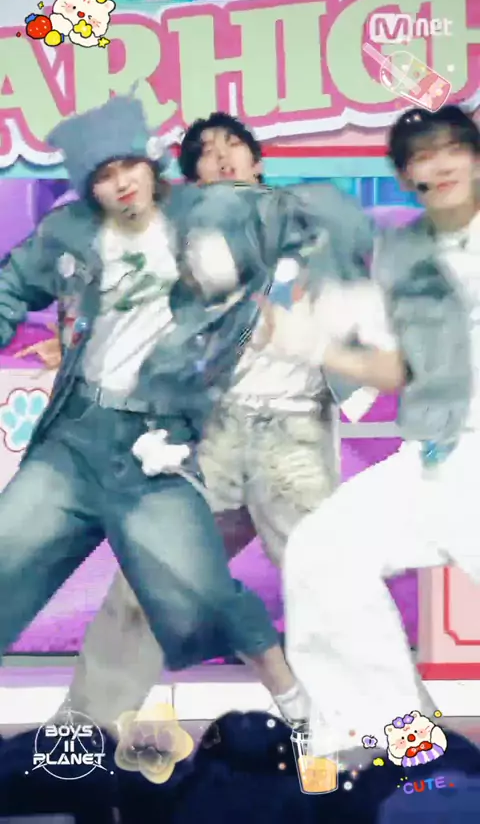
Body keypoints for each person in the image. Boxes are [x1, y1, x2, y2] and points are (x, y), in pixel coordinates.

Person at [58, 111, 376, 730]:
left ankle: (382, 731)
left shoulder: (307, 225)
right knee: (149, 580)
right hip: (211, 437)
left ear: (257, 161)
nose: (224, 155)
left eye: (234, 145)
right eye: (207, 151)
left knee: (332, 594)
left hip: (291, 436)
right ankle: (86, 732)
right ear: (195, 176)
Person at [0, 94, 296, 708]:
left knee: (212, 590)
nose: (120, 183)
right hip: (84, 433)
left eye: (129, 165)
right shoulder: (69, 232)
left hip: (187, 438)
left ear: (152, 163)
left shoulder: (212, 220)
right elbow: (12, 284)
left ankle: (305, 706)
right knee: (12, 555)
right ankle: (86, 727)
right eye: (103, 175)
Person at [282, 104, 480, 764]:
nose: (439, 165)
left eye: (451, 149)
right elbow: (398, 370)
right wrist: (311, 343)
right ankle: (403, 742)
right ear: (403, 176)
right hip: (439, 453)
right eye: (422, 157)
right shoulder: (401, 250)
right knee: (321, 554)